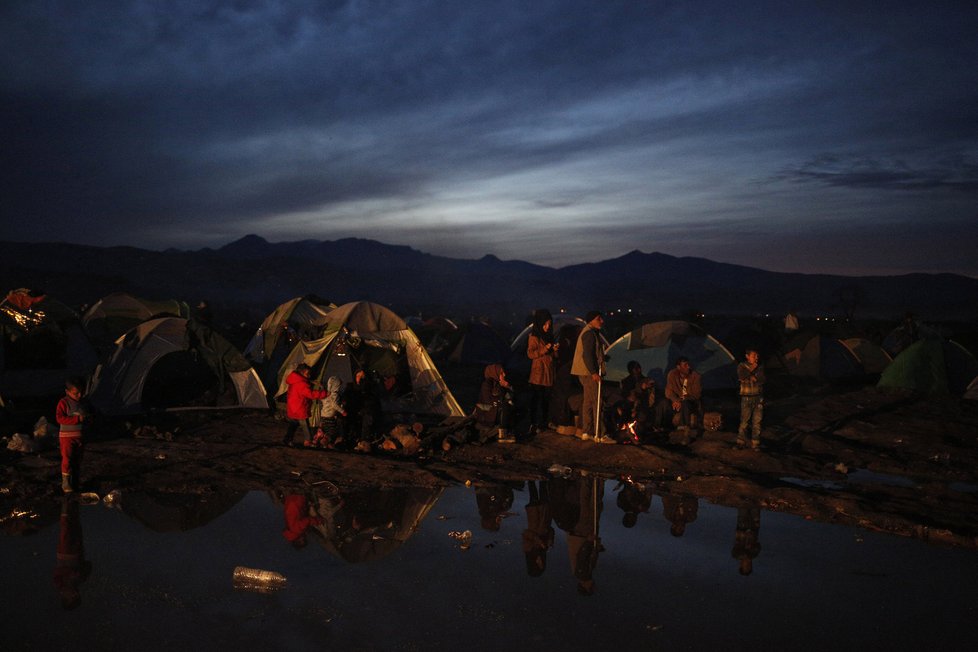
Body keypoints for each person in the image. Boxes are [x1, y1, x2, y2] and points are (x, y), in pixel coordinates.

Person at [571, 311, 613, 444]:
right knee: (597, 401)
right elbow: (587, 355)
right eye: (598, 319)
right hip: (588, 373)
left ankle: (586, 432)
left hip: (584, 372)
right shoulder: (589, 334)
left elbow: (591, 353)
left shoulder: (591, 332)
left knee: (588, 402)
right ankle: (600, 434)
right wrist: (594, 372)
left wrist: (602, 357)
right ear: (591, 320)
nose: (602, 321)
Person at [55, 377, 92, 493]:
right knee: (67, 459)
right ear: (67, 391)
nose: (79, 395)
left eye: (81, 392)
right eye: (76, 393)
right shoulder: (64, 402)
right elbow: (59, 418)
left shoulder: (83, 403)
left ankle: (75, 482)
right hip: (67, 437)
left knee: (78, 459)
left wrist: (88, 420)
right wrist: (77, 419)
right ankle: (65, 483)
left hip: (80, 436)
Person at [526, 309, 558, 435]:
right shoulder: (534, 337)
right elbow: (530, 354)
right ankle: (533, 423)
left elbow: (553, 356)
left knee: (546, 400)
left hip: (548, 373)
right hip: (538, 375)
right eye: (545, 324)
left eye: (549, 324)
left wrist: (555, 350)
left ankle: (544, 422)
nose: (547, 327)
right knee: (536, 399)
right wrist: (545, 349)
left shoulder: (550, 336)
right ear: (540, 323)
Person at [283, 363, 327, 448]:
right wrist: (324, 394)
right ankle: (308, 441)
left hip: (293, 406)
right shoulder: (301, 383)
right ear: (301, 373)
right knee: (305, 425)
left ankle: (287, 439)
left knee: (293, 424)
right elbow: (310, 394)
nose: (309, 376)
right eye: (307, 374)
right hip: (300, 407)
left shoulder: (295, 380)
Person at [474, 363, 516, 443]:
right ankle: (502, 435)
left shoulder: (498, 384)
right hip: (486, 412)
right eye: (501, 373)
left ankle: (507, 431)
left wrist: (509, 387)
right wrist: (503, 398)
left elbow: (509, 397)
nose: (504, 375)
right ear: (495, 373)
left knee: (512, 405)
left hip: (494, 410)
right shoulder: (487, 384)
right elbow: (488, 401)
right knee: (505, 405)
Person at [522, 480, 554, 577]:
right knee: (544, 492)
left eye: (539, 564)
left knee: (533, 493)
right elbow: (551, 530)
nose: (541, 562)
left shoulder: (528, 550)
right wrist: (550, 540)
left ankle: (531, 478)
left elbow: (526, 533)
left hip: (534, 516)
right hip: (544, 516)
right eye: (541, 564)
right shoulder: (544, 549)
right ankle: (542, 477)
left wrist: (538, 540)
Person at [664, 356, 702, 434]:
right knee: (663, 403)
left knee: (686, 403)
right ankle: (659, 427)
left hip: (690, 402)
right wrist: (676, 400)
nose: (688, 367)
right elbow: (668, 392)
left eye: (688, 364)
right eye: (685, 365)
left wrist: (681, 400)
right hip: (677, 402)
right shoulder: (672, 374)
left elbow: (696, 395)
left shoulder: (696, 376)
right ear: (678, 367)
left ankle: (683, 427)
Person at [737, 349, 765, 450]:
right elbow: (742, 376)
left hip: (758, 397)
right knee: (744, 421)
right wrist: (752, 373)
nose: (756, 358)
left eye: (757, 356)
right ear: (747, 356)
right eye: (754, 356)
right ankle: (740, 442)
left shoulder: (760, 366)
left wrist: (750, 377)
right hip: (746, 397)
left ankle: (755, 443)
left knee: (757, 421)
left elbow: (762, 380)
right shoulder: (741, 365)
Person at [315, 376, 347, 448]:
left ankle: (322, 441)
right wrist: (342, 411)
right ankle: (324, 442)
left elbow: (322, 401)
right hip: (330, 416)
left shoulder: (327, 394)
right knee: (331, 432)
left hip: (323, 415)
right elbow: (334, 404)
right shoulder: (334, 394)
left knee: (327, 429)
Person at [732, 505, 762, 576]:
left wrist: (746, 554)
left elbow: (735, 550)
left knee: (743, 506)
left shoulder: (737, 555)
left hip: (742, 527)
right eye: (749, 567)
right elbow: (758, 546)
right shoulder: (753, 555)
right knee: (755, 507)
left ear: (741, 565)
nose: (748, 565)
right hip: (754, 527)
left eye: (746, 567)